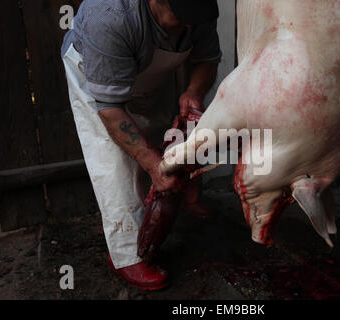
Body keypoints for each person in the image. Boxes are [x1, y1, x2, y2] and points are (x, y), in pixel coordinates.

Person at [61, 0, 221, 291]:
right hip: (96, 76)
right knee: (116, 160)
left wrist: (193, 92)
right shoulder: (108, 17)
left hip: (148, 69)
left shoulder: (198, 14)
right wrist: (152, 166)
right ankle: (126, 255)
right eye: (181, 19)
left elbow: (207, 58)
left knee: (168, 139)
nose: (189, 28)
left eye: (194, 22)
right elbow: (111, 110)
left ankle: (183, 199)